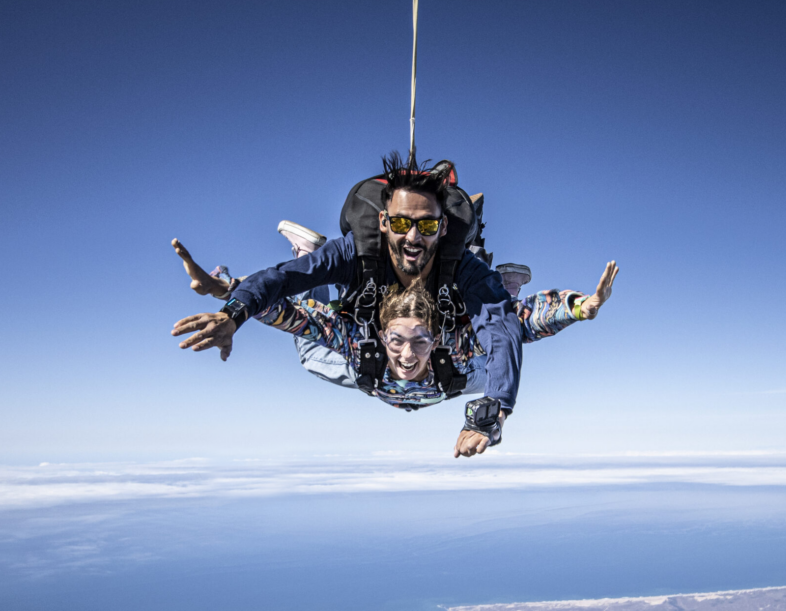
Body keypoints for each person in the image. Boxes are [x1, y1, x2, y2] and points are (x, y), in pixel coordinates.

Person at [172, 154, 609, 456]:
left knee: (495, 336)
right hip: (419, 367)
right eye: (400, 223)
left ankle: (500, 279)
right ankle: (309, 248)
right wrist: (233, 304)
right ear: (382, 222)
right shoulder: (355, 258)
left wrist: (491, 412)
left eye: (426, 225)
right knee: (311, 340)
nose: (413, 237)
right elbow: (287, 291)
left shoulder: (457, 319)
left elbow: (510, 325)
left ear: (440, 228)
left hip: (435, 369)